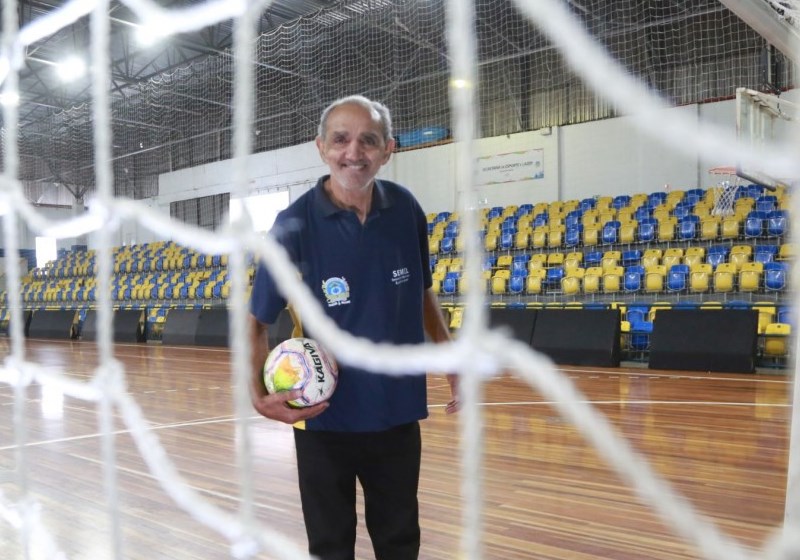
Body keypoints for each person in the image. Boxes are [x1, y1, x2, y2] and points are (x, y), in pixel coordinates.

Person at [249, 94, 459, 560]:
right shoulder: (292, 227)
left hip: (397, 412)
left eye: (369, 140)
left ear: (389, 150)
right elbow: (256, 321)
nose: (354, 152)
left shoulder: (406, 209)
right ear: (321, 147)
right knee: (330, 546)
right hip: (324, 420)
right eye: (341, 139)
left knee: (400, 540)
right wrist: (257, 395)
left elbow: (424, 293)